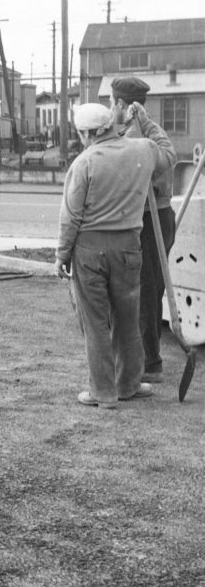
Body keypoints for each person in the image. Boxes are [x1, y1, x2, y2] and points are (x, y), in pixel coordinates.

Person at [55, 103, 173, 408]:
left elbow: (71, 217)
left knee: (96, 323)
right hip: (129, 247)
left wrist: (62, 255)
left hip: (89, 250)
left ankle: (103, 393)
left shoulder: (84, 164)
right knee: (127, 318)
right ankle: (129, 385)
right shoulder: (142, 150)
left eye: (82, 134)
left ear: (89, 133)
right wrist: (146, 122)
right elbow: (168, 153)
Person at [110, 75, 178, 381]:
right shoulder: (145, 130)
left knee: (148, 291)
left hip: (152, 219)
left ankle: (150, 363)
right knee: (147, 289)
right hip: (152, 218)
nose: (110, 108)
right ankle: (144, 357)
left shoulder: (139, 135)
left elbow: (165, 158)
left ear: (123, 104)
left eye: (112, 103)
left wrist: (141, 128)